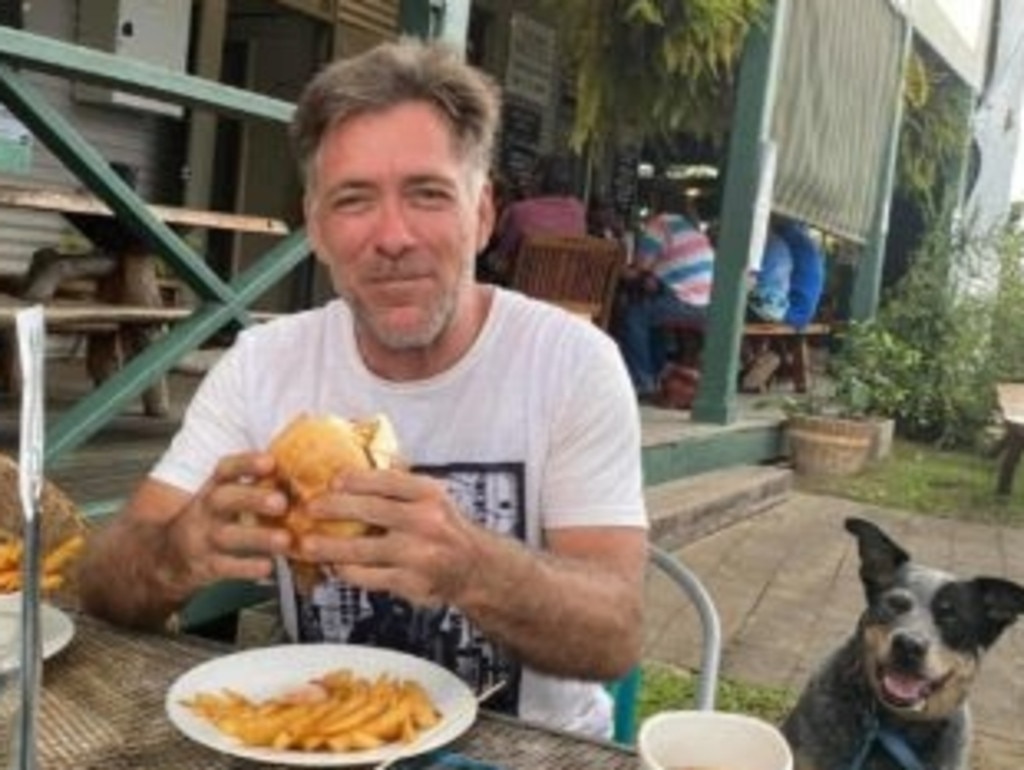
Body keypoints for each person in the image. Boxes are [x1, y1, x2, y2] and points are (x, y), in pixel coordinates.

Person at [77, 39, 647, 738]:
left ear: (483, 214)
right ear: (316, 228)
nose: (393, 236)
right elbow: (103, 584)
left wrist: (471, 566)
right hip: (316, 737)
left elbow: (616, 634)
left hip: (528, 752)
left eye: (428, 194)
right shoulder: (265, 364)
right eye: (354, 200)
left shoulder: (571, 364)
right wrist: (178, 551)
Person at [613, 202, 715, 398]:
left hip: (686, 301)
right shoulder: (693, 230)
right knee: (651, 313)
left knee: (633, 317)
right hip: (709, 304)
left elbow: (640, 270)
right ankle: (657, 373)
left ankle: (643, 383)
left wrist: (617, 269)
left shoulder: (660, 224)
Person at [480, 154, 587, 283]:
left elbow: (501, 257)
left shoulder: (521, 211)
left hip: (524, 293)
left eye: (532, 175)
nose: (529, 179)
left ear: (538, 180)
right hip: (564, 292)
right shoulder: (578, 211)